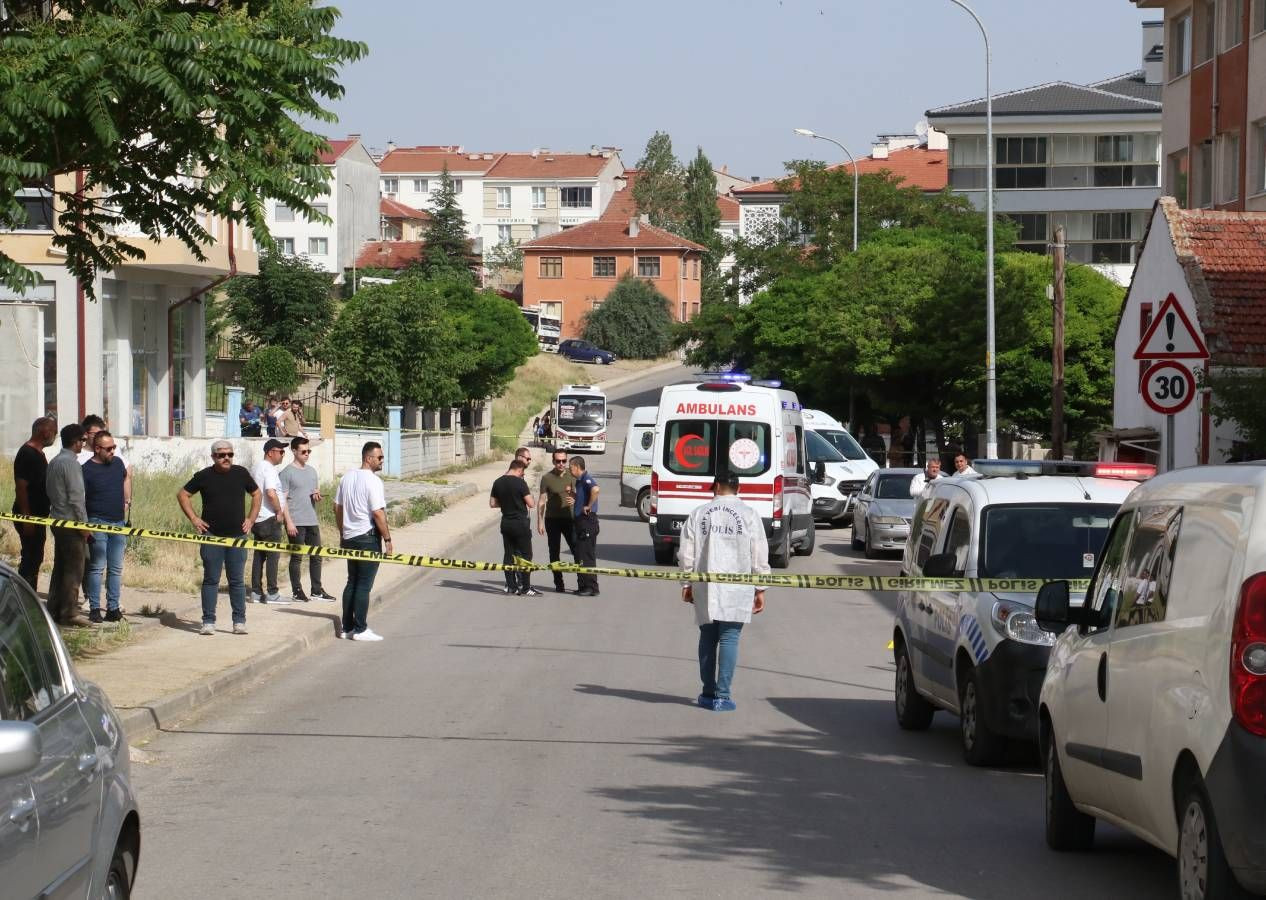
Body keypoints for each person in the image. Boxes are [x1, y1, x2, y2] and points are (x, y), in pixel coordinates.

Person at [679, 473, 770, 712]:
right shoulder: (749, 515)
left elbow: (686, 553)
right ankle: (723, 695)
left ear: (717, 486)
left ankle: (707, 692)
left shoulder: (699, 514)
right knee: (729, 638)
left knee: (707, 638)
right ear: (738, 488)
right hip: (737, 586)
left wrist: (687, 583)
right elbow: (759, 552)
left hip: (705, 583)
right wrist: (760, 588)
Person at [178, 440, 262, 636]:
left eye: (230, 454)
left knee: (237, 581)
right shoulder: (204, 476)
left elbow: (257, 495)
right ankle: (208, 621)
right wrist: (194, 519)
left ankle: (239, 621)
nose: (226, 458)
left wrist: (251, 519)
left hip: (237, 537)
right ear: (213, 457)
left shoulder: (241, 473)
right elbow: (183, 495)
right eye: (222, 455)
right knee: (211, 580)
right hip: (212, 536)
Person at [334, 441, 390, 641]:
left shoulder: (347, 477)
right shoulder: (373, 481)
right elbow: (377, 513)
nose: (382, 460)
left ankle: (346, 627)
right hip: (367, 538)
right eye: (379, 457)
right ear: (368, 458)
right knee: (364, 584)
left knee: (352, 581)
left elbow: (337, 508)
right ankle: (360, 629)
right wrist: (388, 539)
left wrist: (342, 532)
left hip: (350, 537)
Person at [82, 430, 130, 623]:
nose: (113, 451)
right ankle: (94, 608)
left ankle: (113, 608)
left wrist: (127, 501)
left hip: (118, 522)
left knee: (116, 569)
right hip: (97, 522)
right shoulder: (86, 469)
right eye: (109, 449)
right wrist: (85, 526)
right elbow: (80, 498)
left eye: (114, 447)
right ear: (97, 448)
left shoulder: (118, 463)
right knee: (97, 567)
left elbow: (127, 478)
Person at [46, 424, 91, 626]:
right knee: (74, 569)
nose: (84, 443)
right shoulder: (71, 464)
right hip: (71, 522)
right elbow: (76, 497)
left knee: (60, 567)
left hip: (57, 518)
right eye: (82, 440)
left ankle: (54, 609)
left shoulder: (55, 461)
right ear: (75, 442)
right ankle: (69, 612)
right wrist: (83, 525)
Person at [281, 436, 334, 602]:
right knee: (297, 557)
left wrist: (316, 496)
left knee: (316, 555)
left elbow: (312, 493)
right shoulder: (286, 473)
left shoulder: (312, 471)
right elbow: (282, 500)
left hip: (311, 519)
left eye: (308, 451)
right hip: (296, 522)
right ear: (294, 451)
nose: (307, 454)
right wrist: (288, 521)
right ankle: (297, 591)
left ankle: (316, 590)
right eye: (303, 451)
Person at [12, 416, 57, 590]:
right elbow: (21, 487)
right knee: (31, 557)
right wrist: (26, 517)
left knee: (35, 557)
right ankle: (23, 597)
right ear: (44, 431)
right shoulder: (27, 454)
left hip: (38, 515)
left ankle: (28, 594)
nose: (54, 435)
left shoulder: (39, 454)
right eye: (54, 431)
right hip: (30, 515)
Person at [249, 439, 292, 604]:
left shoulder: (258, 467)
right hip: (269, 518)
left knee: (259, 556)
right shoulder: (269, 469)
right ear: (270, 452)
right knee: (273, 556)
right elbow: (271, 493)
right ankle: (272, 593)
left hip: (259, 517)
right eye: (280, 451)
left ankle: (256, 592)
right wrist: (279, 511)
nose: (283, 454)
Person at [490, 458, 537, 596]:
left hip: (506, 523)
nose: (522, 476)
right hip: (520, 523)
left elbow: (492, 503)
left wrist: (505, 504)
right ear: (519, 470)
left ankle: (511, 586)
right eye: (522, 473)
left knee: (508, 555)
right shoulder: (520, 483)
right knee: (526, 555)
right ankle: (526, 587)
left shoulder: (497, 482)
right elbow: (531, 503)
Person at [537, 449, 578, 594]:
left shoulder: (572, 475)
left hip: (569, 519)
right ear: (553, 461)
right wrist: (540, 522)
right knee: (554, 553)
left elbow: (581, 494)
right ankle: (559, 583)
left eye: (563, 461)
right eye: (558, 461)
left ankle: (582, 583)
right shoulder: (547, 478)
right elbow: (542, 501)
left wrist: (575, 499)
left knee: (576, 550)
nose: (561, 464)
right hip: (552, 520)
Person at [569, 456, 600, 596]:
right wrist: (573, 495)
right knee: (581, 554)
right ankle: (584, 586)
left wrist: (589, 505)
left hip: (587, 521)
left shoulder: (586, 479)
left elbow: (595, 490)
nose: (570, 470)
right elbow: (582, 497)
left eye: (571, 467)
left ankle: (590, 587)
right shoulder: (579, 481)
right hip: (580, 521)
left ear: (577, 466)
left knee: (586, 556)